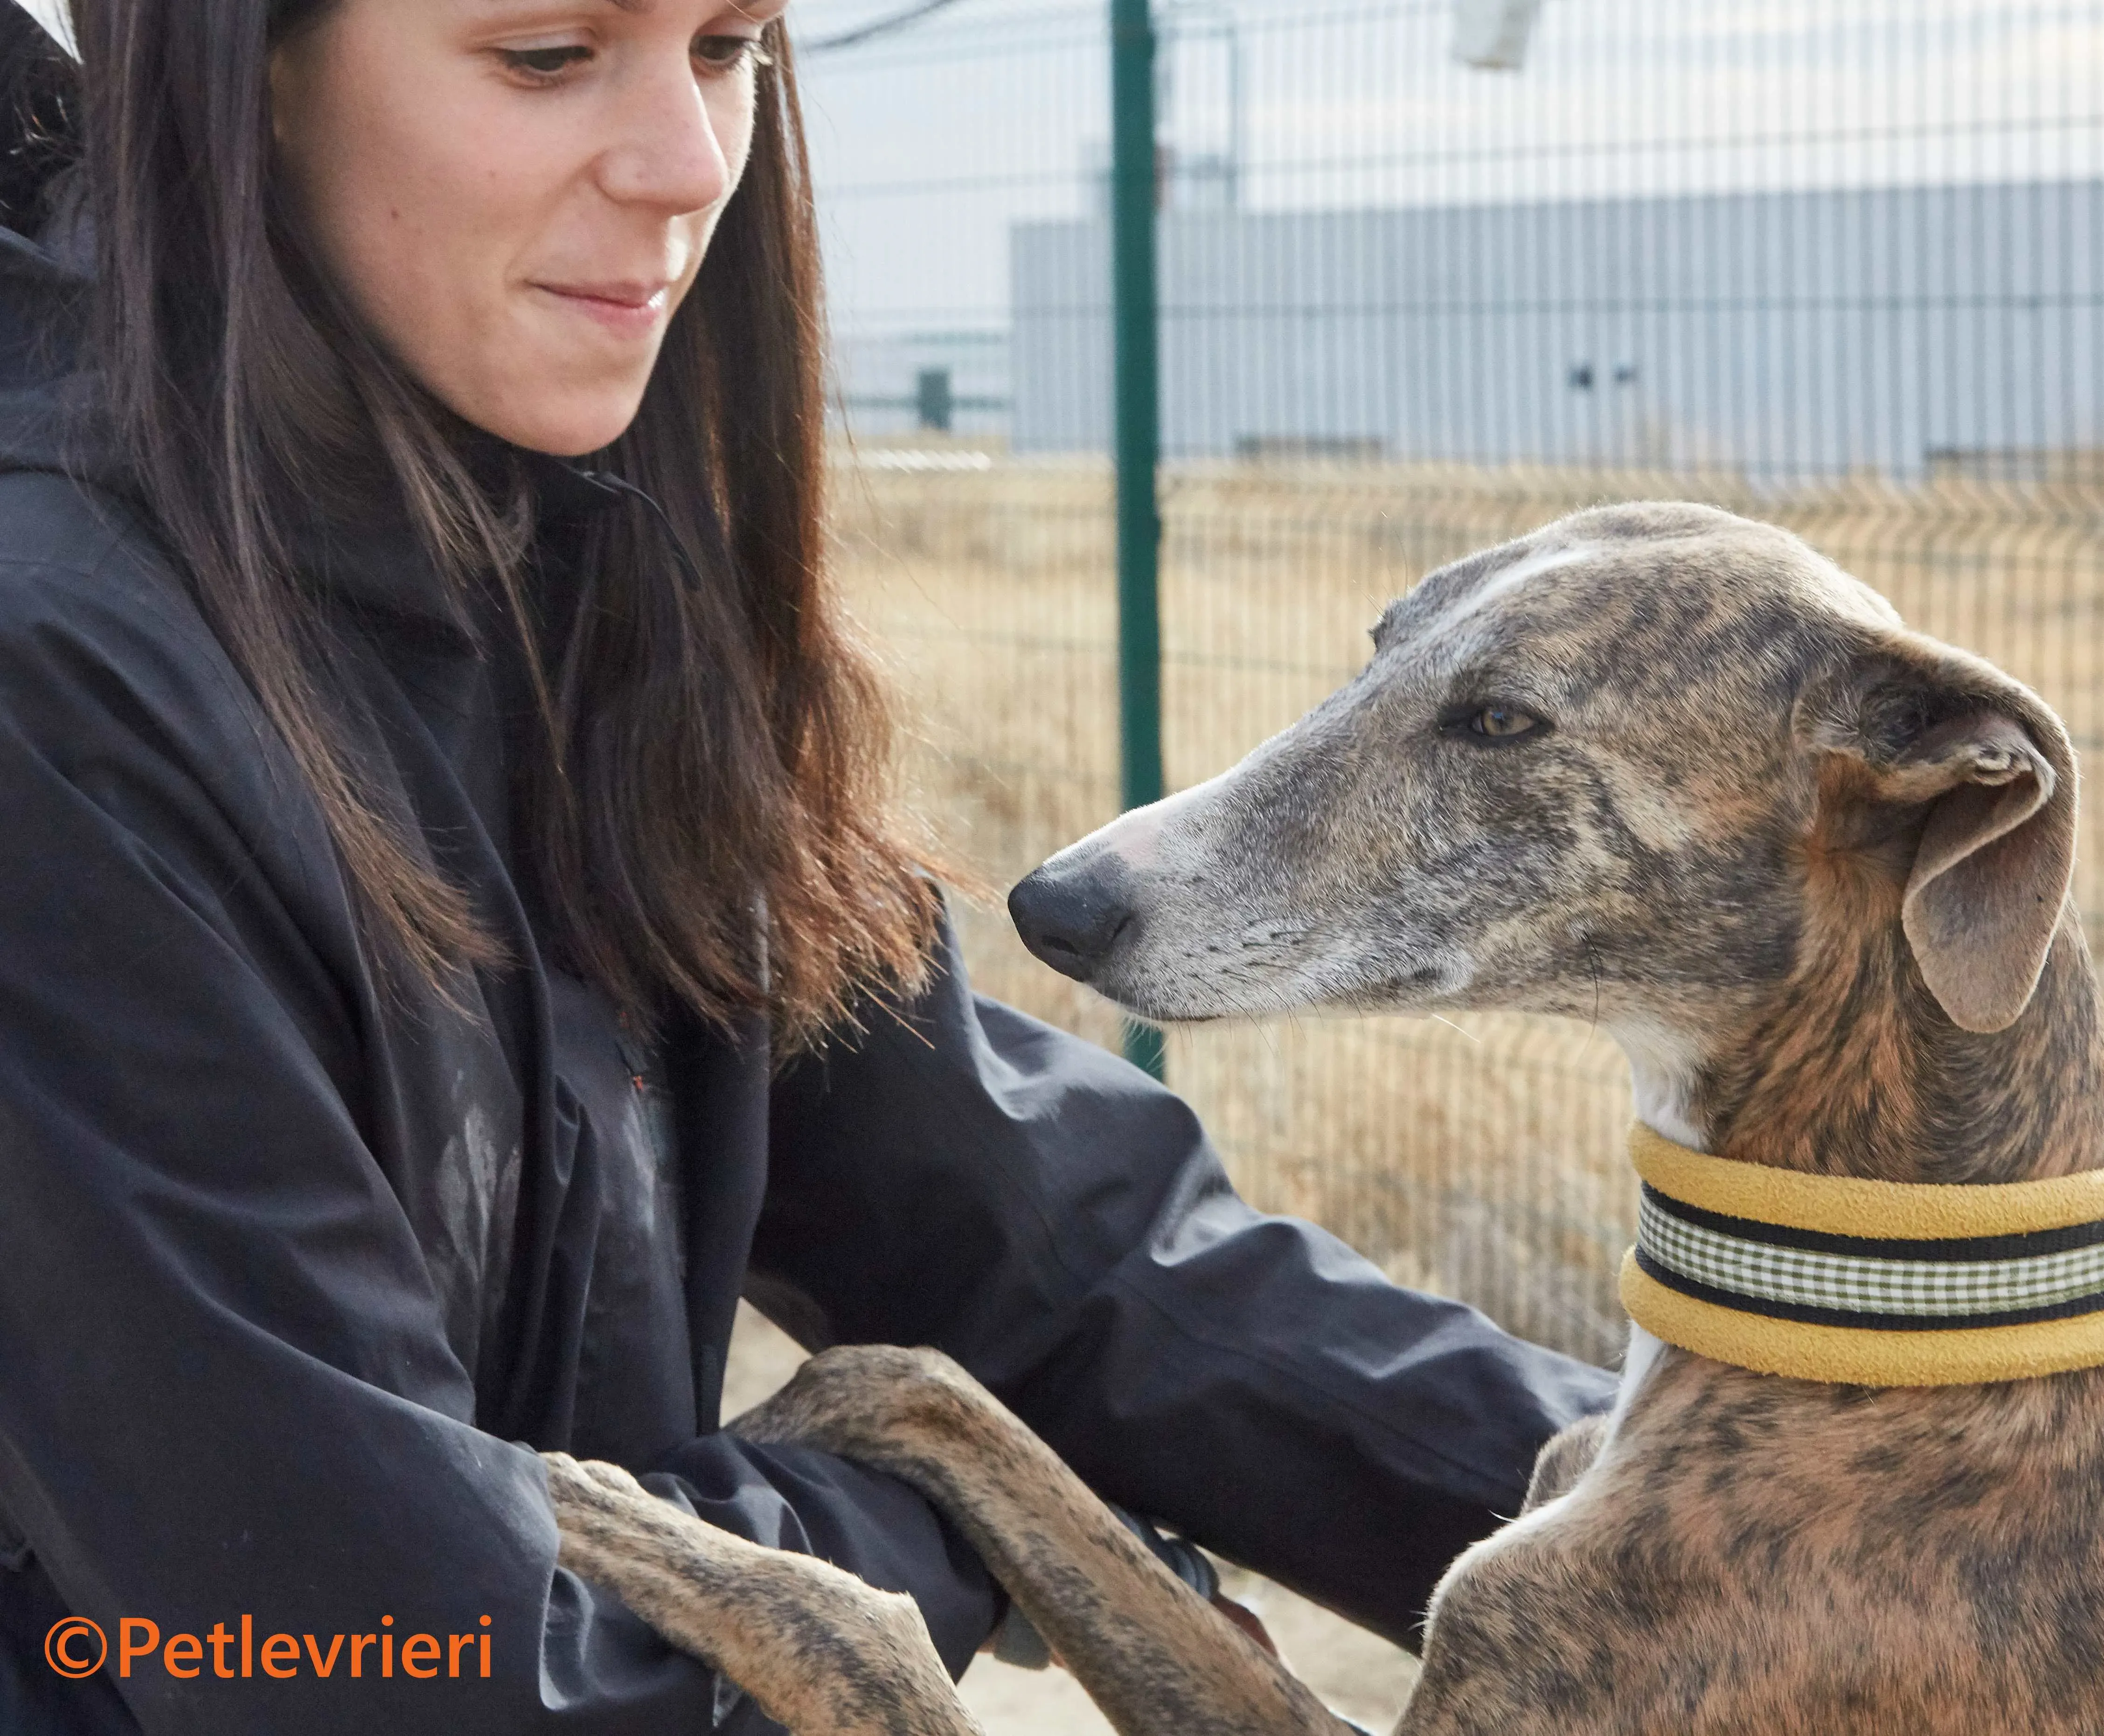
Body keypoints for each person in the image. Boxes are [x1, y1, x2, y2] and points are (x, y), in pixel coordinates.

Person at [0, 4, 1613, 1731]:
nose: (689, 165)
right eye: (548, 56)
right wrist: (943, 1508)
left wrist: (1710, 1510)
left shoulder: (563, 555)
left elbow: (1052, 1249)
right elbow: (382, 1657)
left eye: (728, 46)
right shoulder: (53, 679)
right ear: (239, 66)